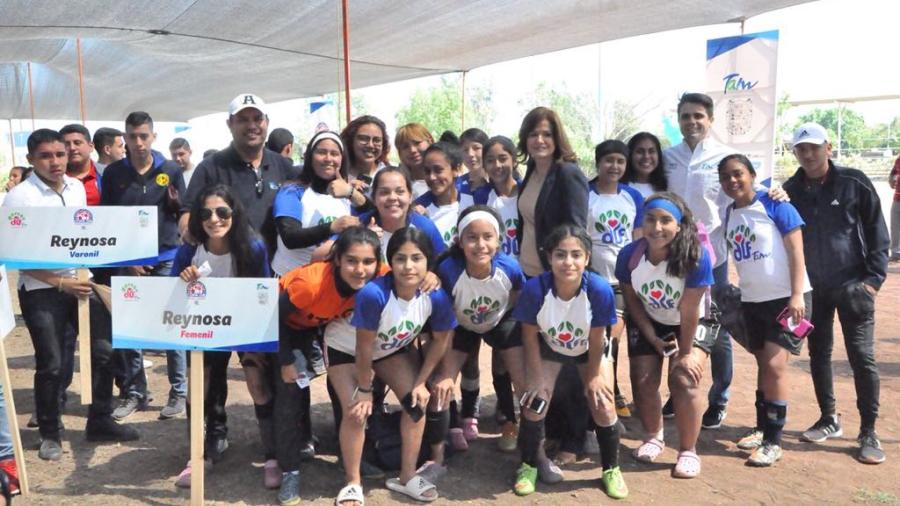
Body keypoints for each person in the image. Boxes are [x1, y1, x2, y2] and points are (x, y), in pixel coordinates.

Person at [4, 129, 139, 462]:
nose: (55, 162)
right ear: (31, 160)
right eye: (46, 156)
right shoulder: (20, 198)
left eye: (60, 154)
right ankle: (50, 433)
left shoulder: (77, 188)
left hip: (82, 283)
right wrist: (60, 283)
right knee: (51, 363)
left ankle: (100, 421)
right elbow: (14, 254)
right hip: (42, 292)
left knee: (105, 352)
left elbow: (87, 236)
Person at [178, 93, 297, 470]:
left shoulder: (285, 166)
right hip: (212, 286)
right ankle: (211, 436)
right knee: (208, 370)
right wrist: (197, 248)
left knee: (263, 370)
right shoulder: (212, 167)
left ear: (266, 122)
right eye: (243, 119)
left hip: (266, 280)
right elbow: (187, 216)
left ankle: (282, 443)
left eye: (257, 118)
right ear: (230, 125)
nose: (252, 125)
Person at [782, 122, 888, 465]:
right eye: (801, 149)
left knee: (862, 357)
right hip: (814, 290)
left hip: (854, 286)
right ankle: (829, 418)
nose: (808, 154)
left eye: (814, 147)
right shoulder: (790, 189)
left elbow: (877, 231)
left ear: (828, 148)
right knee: (819, 353)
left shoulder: (854, 181)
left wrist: (872, 280)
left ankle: (868, 431)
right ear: (795, 153)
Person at [275, 226, 386, 506]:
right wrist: (286, 360)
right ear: (337, 260)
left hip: (324, 324)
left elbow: (410, 274)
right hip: (287, 328)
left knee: (346, 386)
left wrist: (431, 277)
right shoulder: (311, 284)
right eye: (351, 261)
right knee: (290, 388)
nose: (360, 269)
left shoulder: (380, 273)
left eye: (367, 262)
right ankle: (290, 469)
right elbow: (273, 318)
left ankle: (349, 457)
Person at [511, 225, 625, 498]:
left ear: (587, 258)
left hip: (589, 350)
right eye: (560, 254)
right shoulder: (536, 288)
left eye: (576, 254)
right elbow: (528, 336)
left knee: (603, 404)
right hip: (550, 348)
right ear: (549, 257)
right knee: (534, 403)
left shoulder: (598, 289)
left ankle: (611, 469)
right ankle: (527, 465)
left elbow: (598, 338)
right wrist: (537, 378)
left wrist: (595, 376)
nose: (568, 262)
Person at [345, 227, 456, 503]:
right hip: (346, 351)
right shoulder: (373, 294)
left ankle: (406, 477)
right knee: (356, 409)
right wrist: (364, 387)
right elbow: (363, 348)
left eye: (416, 258)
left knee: (416, 404)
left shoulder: (436, 296)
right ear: (390, 262)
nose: (408, 266)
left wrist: (421, 381)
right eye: (400, 258)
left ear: (428, 262)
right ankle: (353, 483)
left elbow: (442, 340)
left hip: (388, 350)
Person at [172, 184, 271, 487]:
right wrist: (183, 279)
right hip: (204, 326)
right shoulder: (190, 250)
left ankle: (273, 454)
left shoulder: (253, 247)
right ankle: (200, 452)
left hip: (244, 325)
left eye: (222, 211)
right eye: (206, 213)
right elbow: (170, 292)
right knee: (198, 385)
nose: (214, 219)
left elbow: (262, 293)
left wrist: (256, 342)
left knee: (257, 384)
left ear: (234, 213)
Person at [717, 153, 812, 466]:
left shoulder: (775, 204)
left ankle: (774, 440)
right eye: (726, 177)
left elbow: (796, 250)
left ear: (753, 174)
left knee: (774, 366)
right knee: (763, 364)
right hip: (753, 301)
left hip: (788, 299)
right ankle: (762, 427)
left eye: (738, 173)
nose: (733, 181)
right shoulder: (730, 213)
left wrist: (797, 295)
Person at [616, 192, 714, 478]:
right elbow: (632, 300)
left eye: (665, 220)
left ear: (680, 225)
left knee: (684, 378)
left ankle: (688, 451)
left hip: (693, 320)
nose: (656, 227)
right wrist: (652, 337)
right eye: (650, 219)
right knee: (643, 380)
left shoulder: (695, 257)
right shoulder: (629, 255)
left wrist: (684, 354)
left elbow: (690, 310)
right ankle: (653, 436)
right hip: (650, 318)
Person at [100, 111, 188, 421]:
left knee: (171, 325)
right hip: (128, 263)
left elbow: (182, 212)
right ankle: (135, 391)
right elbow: (109, 221)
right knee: (131, 328)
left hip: (166, 258)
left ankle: (179, 391)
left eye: (143, 136)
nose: (138, 142)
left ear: (153, 137)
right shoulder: (112, 175)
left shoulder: (170, 170)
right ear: (124, 138)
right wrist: (129, 260)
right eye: (132, 136)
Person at [429, 206, 526, 461]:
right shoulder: (449, 270)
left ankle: (519, 430)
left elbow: (517, 300)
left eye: (487, 237)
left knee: (520, 376)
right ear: (460, 242)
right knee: (444, 380)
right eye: (472, 238)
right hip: (460, 324)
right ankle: (445, 440)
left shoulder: (510, 268)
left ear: (499, 240)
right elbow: (443, 313)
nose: (480, 244)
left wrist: (506, 335)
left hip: (500, 319)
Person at [663, 92, 735, 429]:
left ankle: (719, 398)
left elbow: (745, 195)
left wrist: (778, 192)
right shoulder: (668, 158)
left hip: (713, 258)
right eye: (685, 116)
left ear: (710, 119)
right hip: (672, 258)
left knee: (715, 330)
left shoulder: (724, 158)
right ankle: (676, 391)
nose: (691, 122)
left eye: (698, 116)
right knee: (676, 323)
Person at [588, 140, 645, 420]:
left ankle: (611, 390)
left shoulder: (632, 197)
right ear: (598, 162)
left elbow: (638, 240)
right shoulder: (586, 194)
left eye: (620, 162)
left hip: (621, 281)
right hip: (593, 281)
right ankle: (604, 389)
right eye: (609, 160)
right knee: (595, 338)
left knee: (612, 338)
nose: (614, 166)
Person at [271, 131, 368, 276]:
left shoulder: (348, 192)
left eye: (334, 154)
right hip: (290, 277)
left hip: (331, 280)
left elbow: (376, 215)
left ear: (342, 159)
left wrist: (351, 193)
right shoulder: (292, 191)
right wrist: (332, 227)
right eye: (321, 152)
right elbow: (290, 238)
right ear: (310, 157)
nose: (328, 159)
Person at [353, 166, 446, 259]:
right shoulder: (360, 226)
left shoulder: (426, 228)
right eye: (384, 192)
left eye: (400, 191)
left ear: (410, 197)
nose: (392, 197)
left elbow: (444, 266)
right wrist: (363, 242)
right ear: (374, 198)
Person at [414, 142, 475, 248]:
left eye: (438, 170)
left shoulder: (474, 200)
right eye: (427, 171)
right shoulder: (419, 209)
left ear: (456, 169)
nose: (432, 177)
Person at [341, 115, 391, 198]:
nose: (370, 145)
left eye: (377, 140)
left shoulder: (391, 174)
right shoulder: (339, 173)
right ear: (350, 141)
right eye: (363, 139)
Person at [60, 124, 102, 205]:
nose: (72, 148)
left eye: (77, 143)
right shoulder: (55, 178)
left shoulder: (107, 174)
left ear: (91, 146)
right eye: (66, 144)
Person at [395, 123, 433, 200]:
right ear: (400, 153)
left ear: (430, 141)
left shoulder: (447, 179)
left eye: (417, 143)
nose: (412, 150)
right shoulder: (396, 185)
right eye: (405, 147)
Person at [623, 132, 667, 199]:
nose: (646, 156)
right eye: (639, 152)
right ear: (630, 155)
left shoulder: (667, 187)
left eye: (651, 151)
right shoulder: (619, 188)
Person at [457, 128, 489, 195]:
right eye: (465, 150)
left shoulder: (497, 185)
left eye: (476, 148)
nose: (470, 154)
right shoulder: (456, 186)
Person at [888, 155, 900, 263]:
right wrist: (891, 180)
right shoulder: (898, 160)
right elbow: (893, 173)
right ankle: (896, 253)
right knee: (895, 226)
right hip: (897, 198)